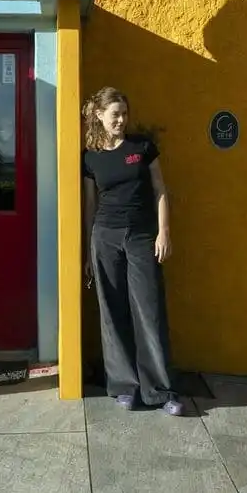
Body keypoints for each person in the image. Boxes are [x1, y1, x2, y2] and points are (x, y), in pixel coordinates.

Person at [81, 86, 183, 416]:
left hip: (141, 237)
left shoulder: (142, 148)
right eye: (115, 114)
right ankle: (124, 386)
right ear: (99, 115)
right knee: (112, 312)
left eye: (125, 114)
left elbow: (160, 191)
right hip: (105, 237)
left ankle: (161, 390)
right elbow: (89, 205)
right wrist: (87, 251)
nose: (122, 120)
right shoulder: (90, 156)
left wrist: (163, 231)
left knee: (149, 310)